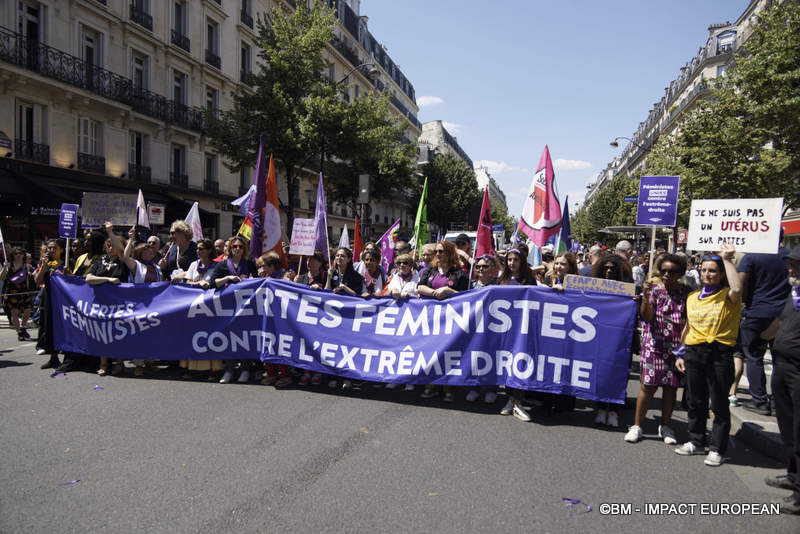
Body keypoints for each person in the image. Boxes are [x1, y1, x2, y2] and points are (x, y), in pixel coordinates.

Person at [674, 244, 742, 467]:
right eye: (704, 270)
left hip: (719, 354)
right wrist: (681, 353)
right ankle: (696, 440)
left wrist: (728, 260)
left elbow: (738, 288)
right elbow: (688, 327)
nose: (707, 274)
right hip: (694, 352)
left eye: (712, 270)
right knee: (695, 400)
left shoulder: (728, 296)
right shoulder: (693, 297)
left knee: (719, 403)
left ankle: (717, 448)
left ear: (721, 274)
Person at [625, 253, 691, 445]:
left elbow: (689, 321)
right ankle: (637, 425)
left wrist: (683, 348)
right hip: (654, 344)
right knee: (648, 385)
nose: (667, 275)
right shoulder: (653, 290)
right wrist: (645, 296)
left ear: (680, 273)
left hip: (676, 347)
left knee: (671, 388)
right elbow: (646, 317)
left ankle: (666, 425)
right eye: (663, 271)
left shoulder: (687, 293)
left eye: (672, 272)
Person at [737, 241, 791, 415]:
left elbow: (741, 284)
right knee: (780, 359)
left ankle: (760, 401)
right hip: (784, 314)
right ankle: (778, 401)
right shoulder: (789, 255)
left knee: (753, 356)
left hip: (756, 312)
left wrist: (744, 304)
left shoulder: (751, 256)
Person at [766, 245, 800, 514]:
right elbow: (780, 322)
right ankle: (792, 475)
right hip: (783, 367)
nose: (790, 268)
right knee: (787, 426)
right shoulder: (794, 294)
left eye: (795, 264)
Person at [417, 240, 469, 402]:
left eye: (442, 251)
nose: (438, 254)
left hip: (451, 320)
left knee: (447, 352)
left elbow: (466, 296)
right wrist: (434, 293)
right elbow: (420, 287)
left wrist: (448, 291)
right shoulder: (430, 270)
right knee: (431, 352)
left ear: (450, 253)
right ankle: (431, 385)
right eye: (437, 251)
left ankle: (448, 387)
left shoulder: (458, 273)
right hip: (432, 318)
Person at [591, 253, 633, 428]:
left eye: (612, 268)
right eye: (605, 268)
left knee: (618, 372)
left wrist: (636, 301)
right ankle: (601, 408)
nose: (608, 271)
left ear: (619, 270)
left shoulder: (628, 287)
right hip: (599, 336)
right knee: (601, 373)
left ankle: (614, 410)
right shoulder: (593, 286)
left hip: (620, 338)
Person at [55, 230, 106, 373]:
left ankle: (90, 362)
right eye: (85, 239)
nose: (85, 242)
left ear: (95, 243)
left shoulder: (101, 258)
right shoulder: (81, 257)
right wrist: (67, 276)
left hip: (91, 302)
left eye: (88, 240)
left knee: (90, 332)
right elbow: (77, 277)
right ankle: (73, 360)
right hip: (76, 302)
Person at [85, 223, 132, 376]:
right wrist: (107, 280)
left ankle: (119, 363)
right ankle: (104, 364)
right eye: (108, 245)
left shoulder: (122, 262)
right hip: (101, 304)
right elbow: (89, 278)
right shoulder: (99, 262)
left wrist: (110, 232)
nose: (110, 248)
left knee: (117, 334)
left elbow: (120, 250)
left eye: (113, 245)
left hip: (117, 304)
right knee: (102, 334)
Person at [213, 236, 257, 384]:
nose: (237, 249)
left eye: (240, 247)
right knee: (229, 338)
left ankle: (245, 370)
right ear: (230, 249)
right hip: (228, 307)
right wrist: (228, 278)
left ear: (244, 249)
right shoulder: (223, 265)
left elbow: (257, 281)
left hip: (246, 307)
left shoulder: (249, 264)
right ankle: (229, 370)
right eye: (234, 246)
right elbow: (214, 282)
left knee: (244, 338)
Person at [324, 247, 365, 388]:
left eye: (342, 256)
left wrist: (344, 288)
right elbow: (325, 293)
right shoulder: (331, 273)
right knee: (333, 347)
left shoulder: (356, 277)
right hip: (333, 317)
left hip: (349, 318)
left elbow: (360, 297)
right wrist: (329, 279)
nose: (339, 258)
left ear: (348, 259)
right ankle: (333, 375)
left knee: (347, 348)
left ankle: (348, 377)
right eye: (337, 256)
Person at [465, 254, 499, 404]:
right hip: (474, 329)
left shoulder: (498, 286)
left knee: (491, 358)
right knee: (475, 357)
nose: (480, 269)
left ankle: (491, 389)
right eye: (478, 266)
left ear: (492, 269)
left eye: (484, 266)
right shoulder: (470, 285)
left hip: (492, 328)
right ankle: (474, 387)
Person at [1, 247, 35, 341]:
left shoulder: (26, 265)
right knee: (14, 312)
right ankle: (19, 332)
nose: (18, 255)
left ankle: (23, 327)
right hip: (12, 291)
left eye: (20, 253)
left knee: (27, 310)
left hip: (24, 291)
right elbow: (1, 277)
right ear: (12, 255)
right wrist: (4, 268)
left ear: (23, 254)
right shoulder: (9, 265)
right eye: (16, 254)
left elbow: (30, 277)